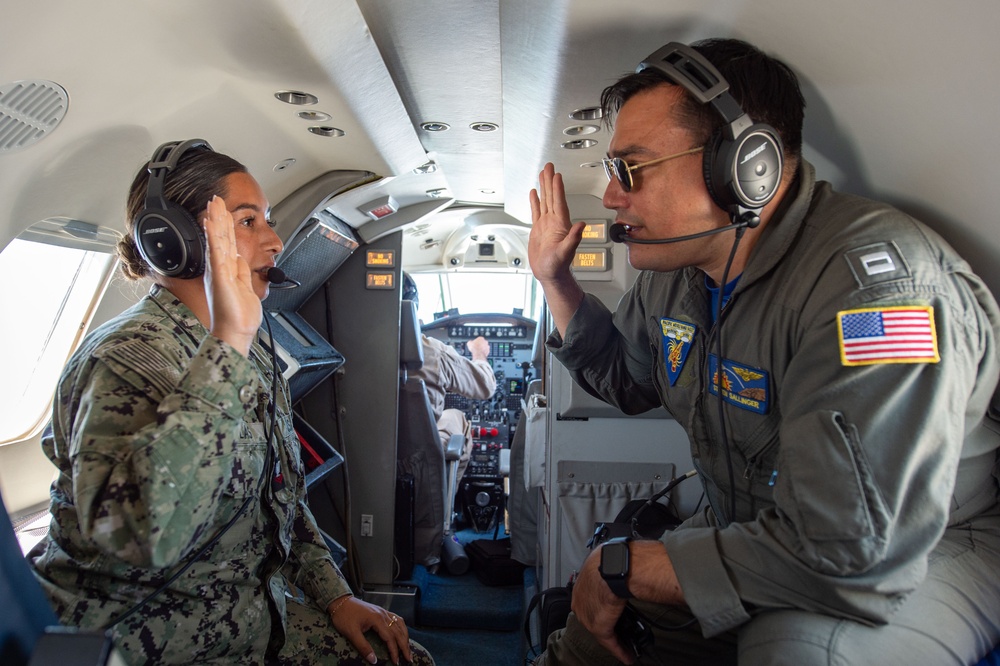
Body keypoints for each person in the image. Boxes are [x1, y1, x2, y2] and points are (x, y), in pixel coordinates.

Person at [528, 38, 1000, 665]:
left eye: (631, 170)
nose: (613, 197)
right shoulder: (678, 274)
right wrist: (557, 283)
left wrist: (629, 567)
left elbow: (850, 549)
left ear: (748, 165)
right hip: (759, 528)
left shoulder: (880, 294)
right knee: (591, 632)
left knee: (799, 652)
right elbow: (629, 381)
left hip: (914, 548)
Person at [28, 140, 434, 666]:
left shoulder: (253, 346)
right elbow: (144, 536)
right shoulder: (127, 358)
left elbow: (281, 497)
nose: (275, 241)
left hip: (250, 618)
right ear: (176, 241)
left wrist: (334, 594)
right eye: (248, 222)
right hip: (140, 641)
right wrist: (228, 342)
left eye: (267, 220)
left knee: (406, 659)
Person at [402, 273, 497, 484]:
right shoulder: (432, 352)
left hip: (378, 454)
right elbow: (486, 386)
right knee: (456, 416)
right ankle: (445, 496)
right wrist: (479, 354)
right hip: (418, 461)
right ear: (411, 309)